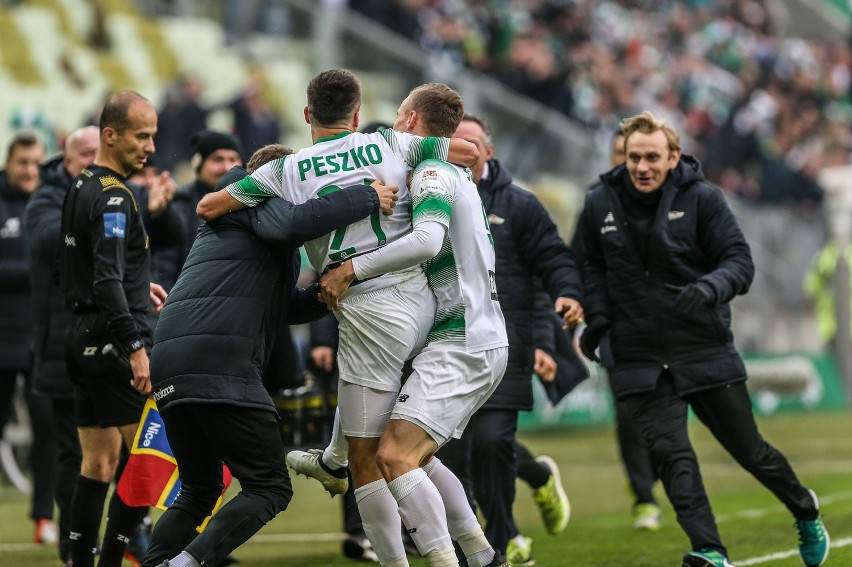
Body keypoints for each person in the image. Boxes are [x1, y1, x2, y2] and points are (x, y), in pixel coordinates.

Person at [195, 68, 480, 567]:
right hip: (423, 301)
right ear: (356, 112)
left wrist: (268, 201)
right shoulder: (392, 142)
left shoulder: (287, 169)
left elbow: (209, 205)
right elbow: (463, 152)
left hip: (369, 308)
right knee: (409, 448)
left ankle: (416, 559)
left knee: (370, 460)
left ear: (307, 114)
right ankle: (479, 551)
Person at [576, 110, 829, 567]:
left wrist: (709, 288)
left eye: (653, 157)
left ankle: (804, 508)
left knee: (750, 452)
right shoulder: (599, 204)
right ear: (624, 158)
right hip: (636, 355)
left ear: (674, 157)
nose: (643, 166)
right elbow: (586, 267)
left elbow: (739, 262)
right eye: (635, 157)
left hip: (703, 347)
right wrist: (595, 317)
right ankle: (710, 549)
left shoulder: (704, 200)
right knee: (674, 457)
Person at [138, 144, 397, 567]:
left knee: (200, 490)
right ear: (279, 179)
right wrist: (365, 197)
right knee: (269, 488)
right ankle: (186, 564)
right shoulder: (242, 191)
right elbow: (290, 225)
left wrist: (331, 287)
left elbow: (281, 308)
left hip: (173, 360)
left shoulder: (251, 224)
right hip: (218, 360)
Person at [315, 83, 528, 567]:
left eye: (396, 116)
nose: (393, 125)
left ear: (411, 121)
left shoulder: (432, 171)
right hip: (468, 336)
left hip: (465, 339)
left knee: (394, 457)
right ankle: (482, 557)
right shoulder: (452, 174)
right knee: (418, 457)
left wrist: (352, 269)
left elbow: (429, 240)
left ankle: (449, 560)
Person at [436, 114, 583, 567]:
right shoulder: (426, 198)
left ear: (488, 152)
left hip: (503, 348)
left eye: (471, 143)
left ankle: (501, 542)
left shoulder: (520, 206)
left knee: (493, 442)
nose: (463, 150)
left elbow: (552, 261)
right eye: (454, 142)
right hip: (442, 348)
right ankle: (475, 547)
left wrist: (567, 294)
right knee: (453, 452)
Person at [59, 91, 168, 567]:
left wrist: (138, 284)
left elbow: (93, 267)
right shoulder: (116, 197)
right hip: (111, 344)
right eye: (141, 136)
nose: (150, 147)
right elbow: (106, 278)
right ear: (110, 134)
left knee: (98, 465)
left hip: (81, 336)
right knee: (149, 462)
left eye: (153, 136)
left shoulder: (82, 182)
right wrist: (136, 347)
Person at [573, 128, 662, 531]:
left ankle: (659, 474)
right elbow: (578, 258)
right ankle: (644, 497)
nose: (625, 161)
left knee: (663, 412)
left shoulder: (668, 197)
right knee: (628, 415)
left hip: (665, 326)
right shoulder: (595, 201)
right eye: (619, 153)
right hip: (615, 326)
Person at [0, 131, 56, 545]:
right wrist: (37, 270)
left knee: (48, 430)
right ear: (8, 162)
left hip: (39, 340)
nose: (31, 170)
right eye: (23, 162)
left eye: (38, 162)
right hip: (1, 341)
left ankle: (42, 518)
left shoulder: (50, 202)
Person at [151, 130, 243, 292]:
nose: (227, 167)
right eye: (217, 159)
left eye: (233, 159)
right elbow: (165, 267)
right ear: (198, 164)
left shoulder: (250, 205)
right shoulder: (179, 205)